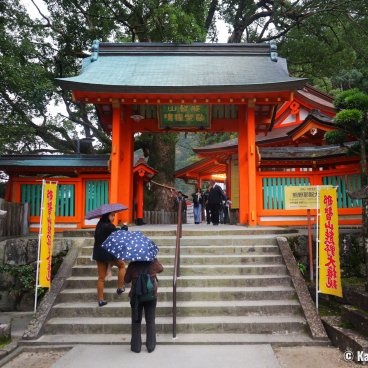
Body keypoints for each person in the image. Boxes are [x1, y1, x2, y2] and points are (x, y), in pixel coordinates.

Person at [124, 259, 163, 353]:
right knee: (150, 320)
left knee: (136, 321)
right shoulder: (152, 261)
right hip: (151, 296)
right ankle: (151, 346)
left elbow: (126, 279)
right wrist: (156, 260)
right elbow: (161, 269)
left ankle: (136, 347)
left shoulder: (132, 264)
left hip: (136, 297)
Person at [93, 212, 126, 307]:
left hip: (99, 254)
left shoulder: (99, 225)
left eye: (114, 215)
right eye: (112, 215)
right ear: (107, 216)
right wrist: (124, 227)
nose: (113, 217)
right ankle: (120, 287)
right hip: (108, 254)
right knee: (122, 265)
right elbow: (119, 233)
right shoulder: (109, 226)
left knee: (101, 278)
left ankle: (100, 300)